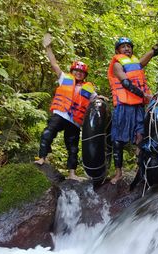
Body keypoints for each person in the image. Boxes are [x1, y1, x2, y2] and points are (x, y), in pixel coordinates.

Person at [107, 21, 158, 184]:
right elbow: (126, 84)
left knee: (140, 137)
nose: (127, 49)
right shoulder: (117, 64)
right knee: (117, 140)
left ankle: (139, 168)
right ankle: (118, 173)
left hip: (137, 107)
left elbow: (153, 51)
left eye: (129, 46)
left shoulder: (137, 63)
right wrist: (146, 95)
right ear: (118, 50)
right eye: (123, 47)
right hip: (123, 107)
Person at [35, 33, 97, 181]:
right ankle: (42, 158)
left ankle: (72, 173)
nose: (79, 74)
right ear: (72, 71)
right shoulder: (65, 79)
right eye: (76, 71)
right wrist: (48, 48)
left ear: (85, 75)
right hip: (61, 114)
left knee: (73, 147)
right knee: (47, 134)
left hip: (74, 120)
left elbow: (96, 100)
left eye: (81, 72)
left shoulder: (89, 88)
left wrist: (102, 99)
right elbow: (54, 64)